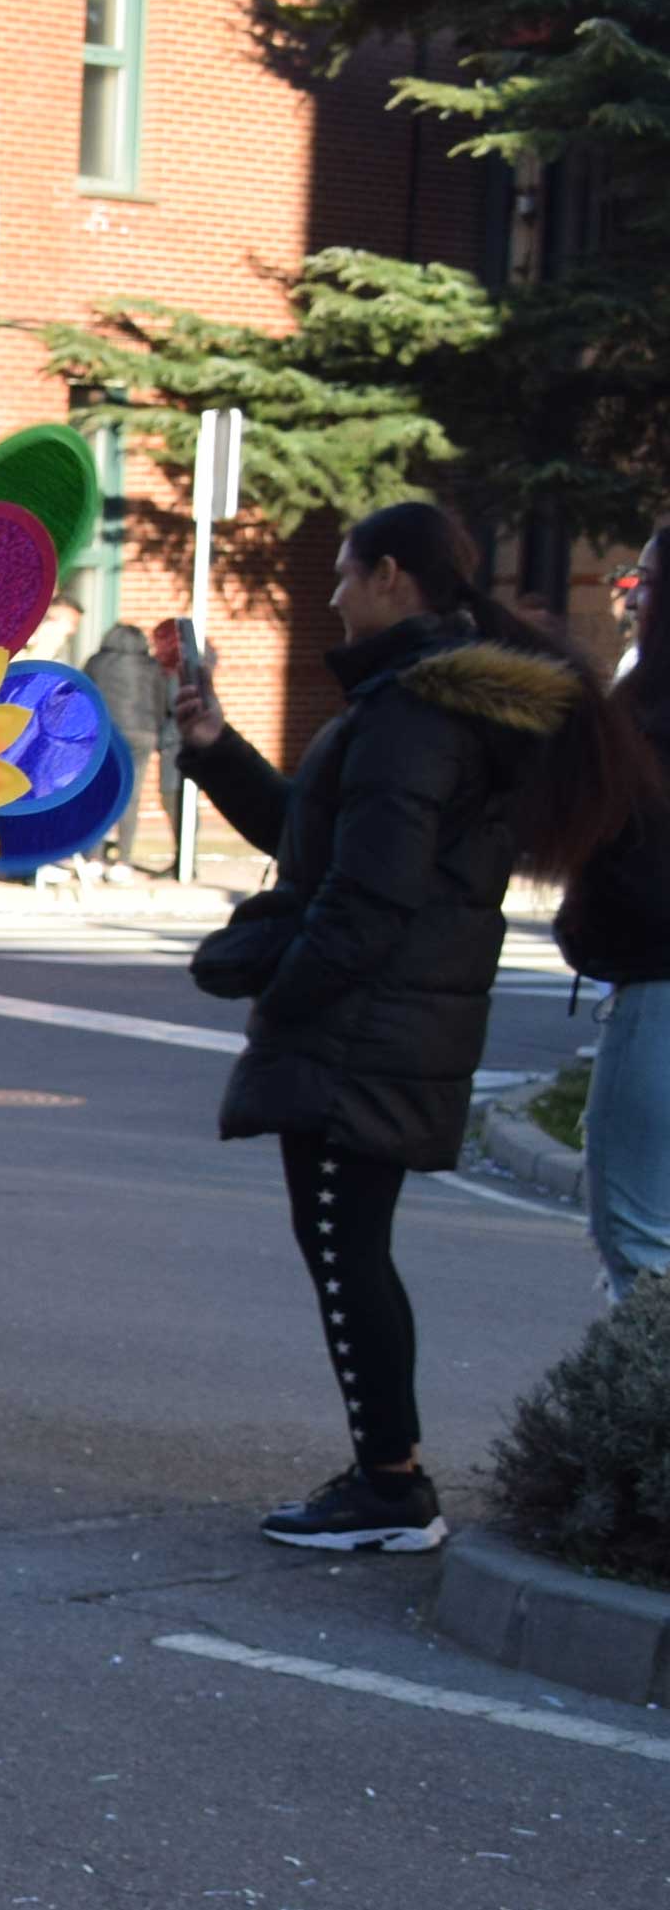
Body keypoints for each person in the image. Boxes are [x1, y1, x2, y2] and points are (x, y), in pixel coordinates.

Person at [175, 500, 655, 1546]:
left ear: (390, 576)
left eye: (344, 574)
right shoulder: (416, 705)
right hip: (383, 1024)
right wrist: (213, 748)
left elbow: (366, 895)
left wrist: (286, 989)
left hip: (367, 1030)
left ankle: (388, 1484)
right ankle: (382, 1475)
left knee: (345, 1247)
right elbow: (320, 833)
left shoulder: (413, 713)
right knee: (343, 1243)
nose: (333, 593)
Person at [564, 523, 670, 1293]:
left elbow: (635, 868)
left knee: (639, 1245)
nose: (634, 599)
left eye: (648, 581)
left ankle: (640, 1413)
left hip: (658, 988)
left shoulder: (651, 714)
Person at [78, 610, 179, 877]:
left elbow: (83, 696)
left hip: (105, 735)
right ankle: (123, 861)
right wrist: (154, 730)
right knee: (130, 796)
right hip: (142, 735)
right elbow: (161, 702)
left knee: (97, 793)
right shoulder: (152, 667)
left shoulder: (97, 663)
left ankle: (93, 858)